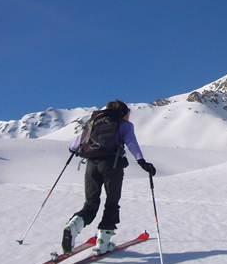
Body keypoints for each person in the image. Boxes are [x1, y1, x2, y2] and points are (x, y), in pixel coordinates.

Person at [62, 100, 156, 255]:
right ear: (124, 113)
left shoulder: (94, 122)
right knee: (112, 203)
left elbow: (74, 146)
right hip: (112, 166)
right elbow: (131, 142)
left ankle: (73, 226)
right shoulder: (124, 125)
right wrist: (142, 162)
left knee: (90, 203)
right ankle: (103, 243)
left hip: (91, 165)